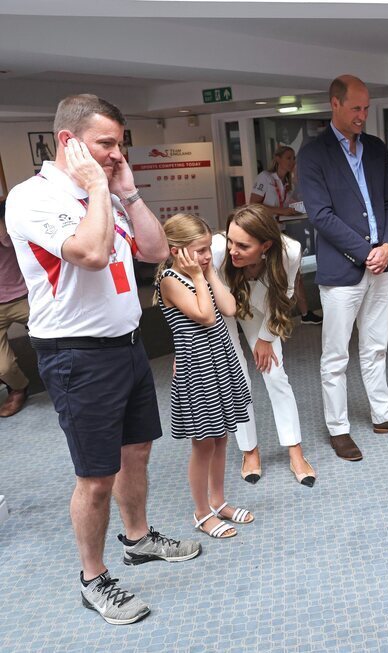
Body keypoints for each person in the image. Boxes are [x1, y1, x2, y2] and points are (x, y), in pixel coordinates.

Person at [4, 94, 200, 625]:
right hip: (76, 356)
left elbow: (156, 252)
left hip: (127, 345)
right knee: (96, 475)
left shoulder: (109, 192)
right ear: (69, 142)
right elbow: (90, 255)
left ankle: (138, 540)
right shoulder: (32, 197)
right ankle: (92, 579)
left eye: (120, 143)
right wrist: (96, 188)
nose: (117, 154)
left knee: (137, 451)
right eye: (106, 144)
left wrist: (129, 195)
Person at [299, 74, 388, 462]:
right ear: (334, 104)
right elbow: (320, 215)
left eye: (367, 108)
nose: (363, 115)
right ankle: (338, 428)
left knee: (376, 346)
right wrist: (366, 251)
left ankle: (383, 414)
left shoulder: (374, 148)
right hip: (343, 271)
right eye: (356, 108)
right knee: (335, 355)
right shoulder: (313, 154)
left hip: (380, 265)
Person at [155, 214, 254, 538]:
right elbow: (206, 316)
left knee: (221, 436)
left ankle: (218, 500)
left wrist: (208, 271)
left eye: (208, 248)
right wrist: (200, 275)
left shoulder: (202, 273)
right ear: (176, 251)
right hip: (197, 369)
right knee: (203, 444)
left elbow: (228, 308)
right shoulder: (171, 280)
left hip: (219, 363)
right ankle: (201, 512)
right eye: (199, 250)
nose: (207, 255)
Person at [213, 204, 316, 486]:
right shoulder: (218, 250)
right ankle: (250, 451)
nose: (232, 249)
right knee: (237, 377)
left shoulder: (289, 251)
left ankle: (295, 451)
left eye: (243, 245)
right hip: (222, 302)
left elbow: (285, 295)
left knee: (275, 374)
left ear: (266, 245)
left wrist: (265, 339)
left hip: (264, 300)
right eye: (230, 240)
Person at [249, 144, 322, 325]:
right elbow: (253, 205)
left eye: (293, 158)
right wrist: (280, 210)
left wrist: (292, 209)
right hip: (264, 233)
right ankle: (263, 314)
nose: (292, 161)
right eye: (288, 158)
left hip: (280, 230)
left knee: (294, 270)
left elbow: (288, 204)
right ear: (278, 159)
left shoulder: (287, 181)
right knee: (270, 274)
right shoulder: (265, 178)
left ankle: (305, 313)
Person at [0, 200, 31, 417]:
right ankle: (18, 388)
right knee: (4, 368)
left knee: (64, 336)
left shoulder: (8, 221)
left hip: (22, 298)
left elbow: (11, 242)